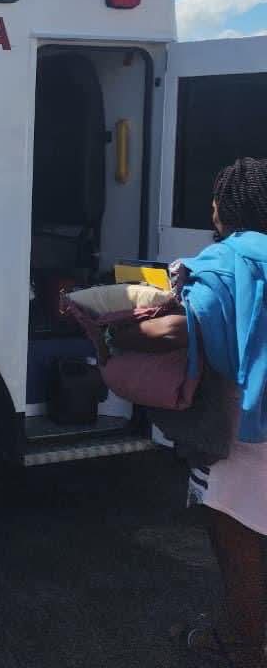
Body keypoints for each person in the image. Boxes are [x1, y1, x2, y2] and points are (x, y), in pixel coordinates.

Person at [161, 157, 267, 667]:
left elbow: (199, 338)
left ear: (226, 208)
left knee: (236, 526)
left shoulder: (221, 262)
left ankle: (244, 642)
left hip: (250, 421)